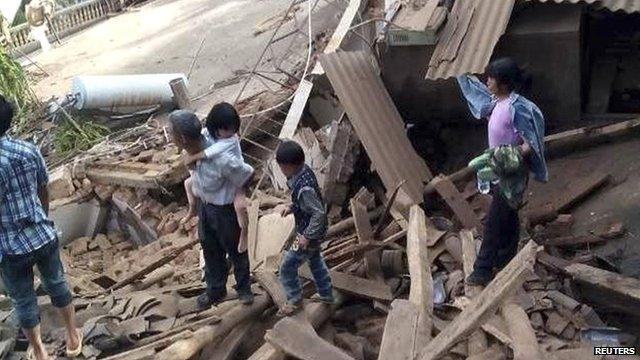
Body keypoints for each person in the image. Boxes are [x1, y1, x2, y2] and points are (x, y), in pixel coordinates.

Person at [0, 96, 81, 360]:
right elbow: (42, 189)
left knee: (23, 300)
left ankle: (40, 352)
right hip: (42, 234)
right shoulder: (27, 149)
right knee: (57, 283)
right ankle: (72, 337)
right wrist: (40, 219)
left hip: (10, 247)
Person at [457, 58, 548, 286]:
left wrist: (511, 154)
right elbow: (479, 99)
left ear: (504, 83)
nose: (487, 82)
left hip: (512, 174)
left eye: (491, 79)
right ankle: (507, 257)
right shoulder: (497, 103)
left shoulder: (517, 109)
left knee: (494, 221)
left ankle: (482, 270)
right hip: (499, 169)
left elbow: (531, 143)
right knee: (507, 216)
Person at [168, 110, 255, 309]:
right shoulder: (192, 148)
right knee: (210, 249)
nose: (169, 138)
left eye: (171, 133)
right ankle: (216, 289)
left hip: (225, 211)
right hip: (205, 207)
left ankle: (244, 289)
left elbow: (248, 173)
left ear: (182, 138)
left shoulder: (222, 160)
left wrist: (240, 194)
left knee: (236, 250)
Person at [180, 103, 249, 254]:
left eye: (232, 129)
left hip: (236, 181)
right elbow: (203, 136)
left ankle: (244, 232)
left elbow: (213, 151)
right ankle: (191, 210)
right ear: (215, 127)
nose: (230, 132)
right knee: (188, 184)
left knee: (240, 207)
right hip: (212, 192)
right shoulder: (209, 134)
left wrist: (194, 157)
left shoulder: (230, 140)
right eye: (226, 129)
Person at [275, 140, 334, 316]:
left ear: (289, 166)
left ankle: (294, 300)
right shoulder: (303, 172)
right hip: (310, 234)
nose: (281, 171)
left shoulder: (304, 187)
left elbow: (319, 213)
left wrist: (307, 237)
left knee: (286, 267)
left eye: (282, 167)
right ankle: (326, 294)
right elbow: (307, 204)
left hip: (307, 235)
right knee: (315, 261)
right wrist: (293, 207)